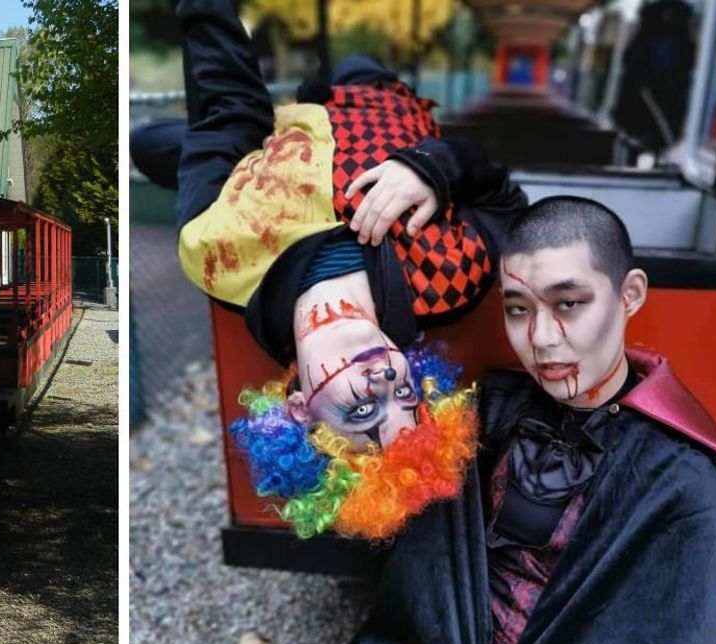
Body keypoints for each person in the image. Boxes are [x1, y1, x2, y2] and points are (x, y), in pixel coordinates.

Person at [130, 0, 527, 539]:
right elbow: (506, 198)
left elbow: (228, 107)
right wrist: (435, 168)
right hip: (376, 96)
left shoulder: (218, 254)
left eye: (364, 410)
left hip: (275, 137)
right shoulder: (447, 281)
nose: (383, 379)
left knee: (156, 143)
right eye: (406, 395)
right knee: (352, 58)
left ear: (299, 409)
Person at [322, 196, 716, 644]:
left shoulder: (685, 474)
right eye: (519, 310)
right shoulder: (491, 408)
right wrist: (431, 168)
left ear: (629, 295)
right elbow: (426, 576)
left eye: (568, 304)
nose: (541, 338)